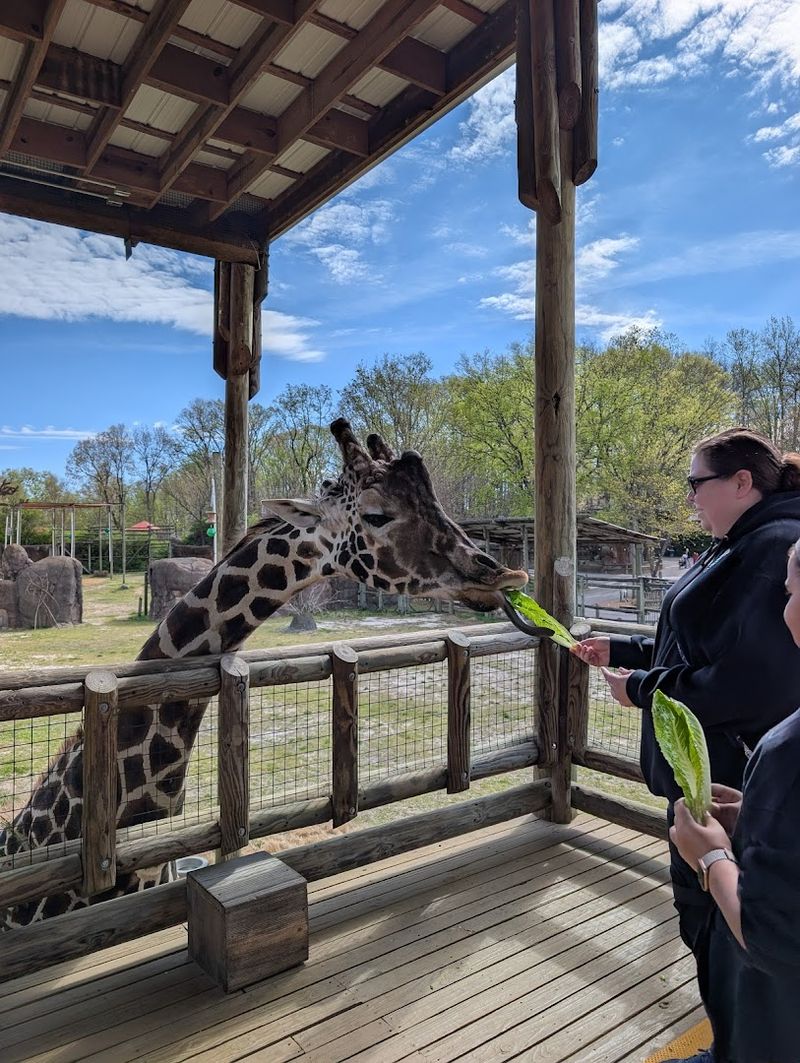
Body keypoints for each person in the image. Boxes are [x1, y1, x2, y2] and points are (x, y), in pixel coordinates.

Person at [571, 428, 800, 962]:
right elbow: (700, 645)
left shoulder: (771, 548)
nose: (690, 497)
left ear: (741, 482)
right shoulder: (743, 545)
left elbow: (749, 681)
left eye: (696, 483)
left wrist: (642, 690)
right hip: (710, 775)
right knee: (705, 914)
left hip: (722, 777)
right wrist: (625, 649)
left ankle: (731, 1040)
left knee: (722, 925)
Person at [667, 538, 800, 1063]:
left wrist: (711, 856)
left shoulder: (790, 753)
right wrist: (754, 818)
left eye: (789, 594)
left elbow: (773, 939)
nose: (782, 608)